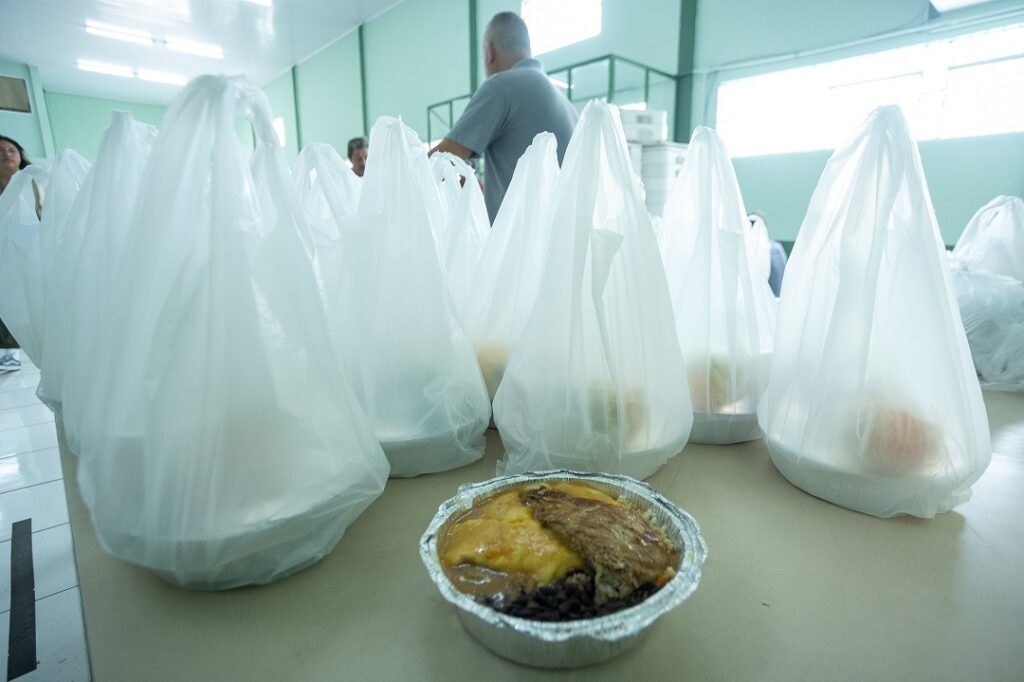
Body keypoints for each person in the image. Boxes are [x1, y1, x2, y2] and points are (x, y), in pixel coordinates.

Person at [430, 11, 578, 222]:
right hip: (561, 246)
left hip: (520, 250)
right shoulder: (568, 106)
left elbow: (441, 160)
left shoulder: (502, 87)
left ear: (489, 52)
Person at [0, 135, 33, 371]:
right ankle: (9, 352)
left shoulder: (34, 182)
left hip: (33, 248)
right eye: (1, 150)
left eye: (12, 149)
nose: (7, 154)